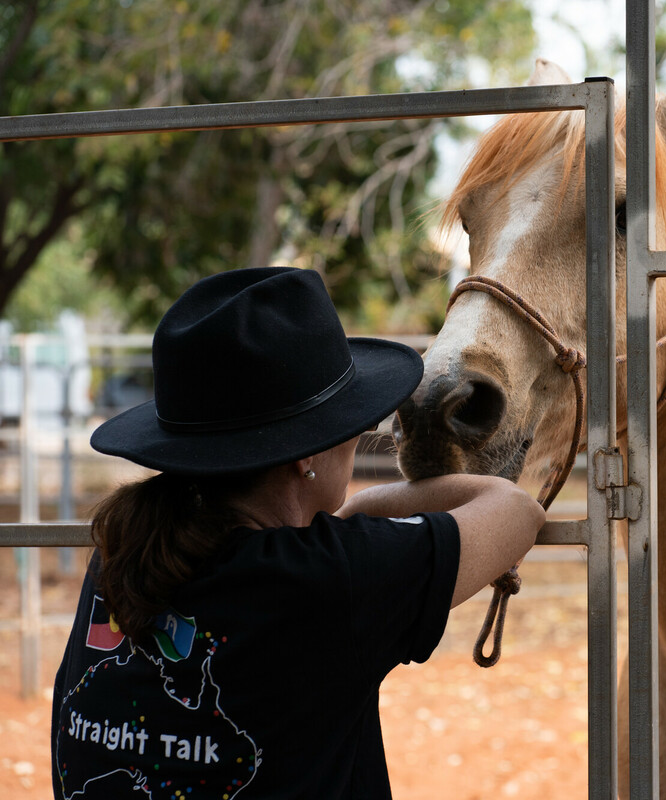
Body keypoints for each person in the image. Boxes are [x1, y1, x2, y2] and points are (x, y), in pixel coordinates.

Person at [51, 267, 544, 799]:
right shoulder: (334, 576)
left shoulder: (121, 549)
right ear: (307, 452)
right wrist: (356, 515)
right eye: (349, 419)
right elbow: (515, 509)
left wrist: (341, 529)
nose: (359, 432)